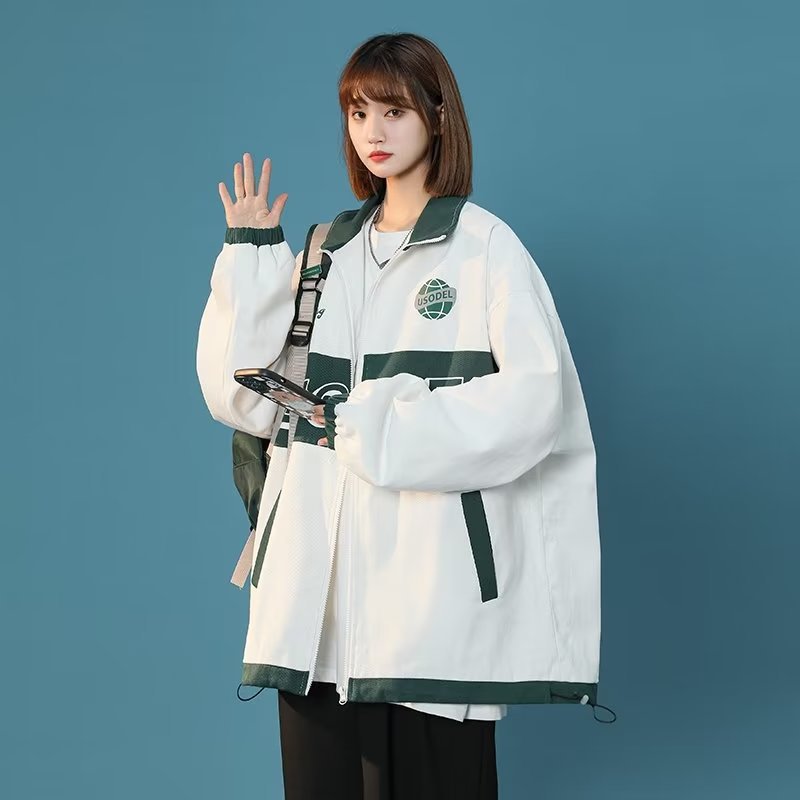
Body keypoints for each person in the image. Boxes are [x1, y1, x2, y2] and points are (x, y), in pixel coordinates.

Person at [196, 32, 602, 800]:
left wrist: (377, 427)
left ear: (438, 117)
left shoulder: (485, 249)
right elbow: (243, 399)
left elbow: (534, 405)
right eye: (358, 113)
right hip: (312, 606)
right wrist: (251, 258)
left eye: (393, 110)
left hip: (431, 603)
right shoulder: (326, 251)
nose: (373, 132)